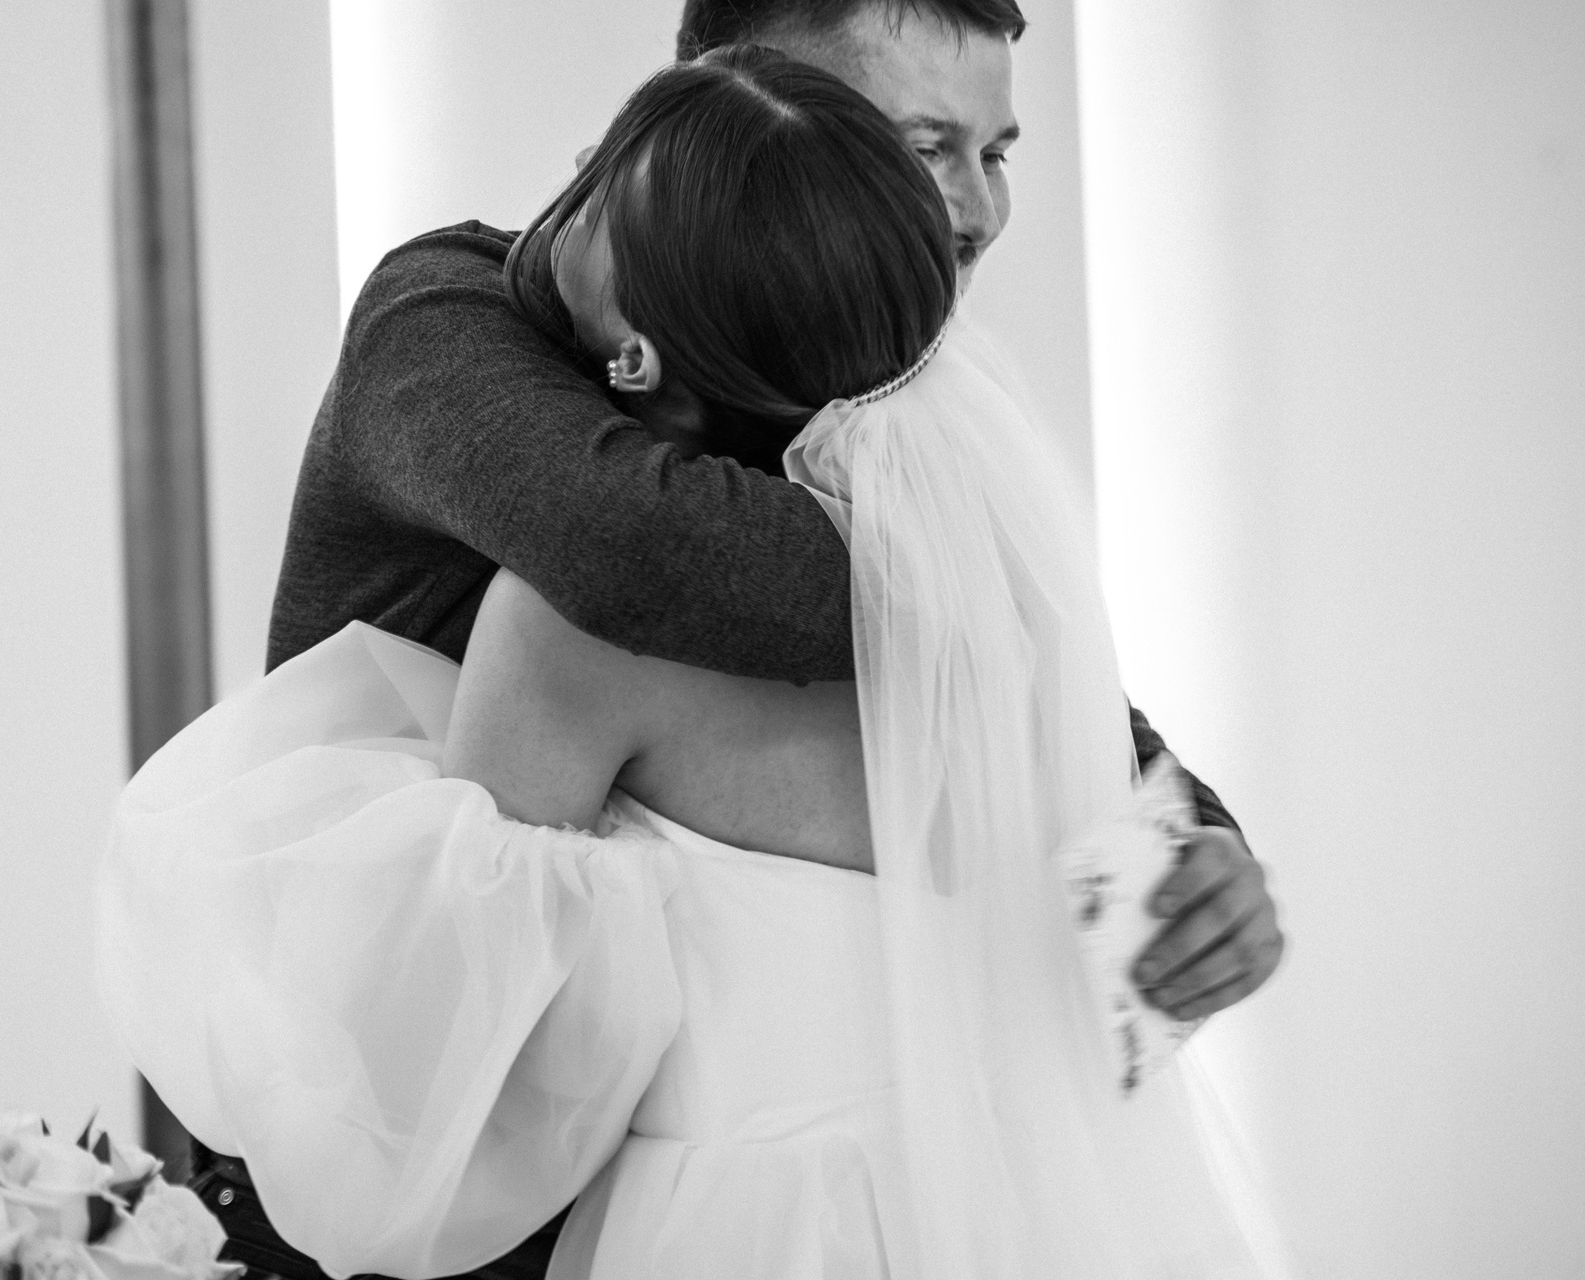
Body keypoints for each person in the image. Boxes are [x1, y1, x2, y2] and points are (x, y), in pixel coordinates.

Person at [100, 44, 1284, 1280]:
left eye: (991, 154)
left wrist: (1184, 845)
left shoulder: (589, 625)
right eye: (917, 149)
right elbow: (636, 545)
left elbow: (472, 1079)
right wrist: (982, 596)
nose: (969, 210)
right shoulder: (452, 320)